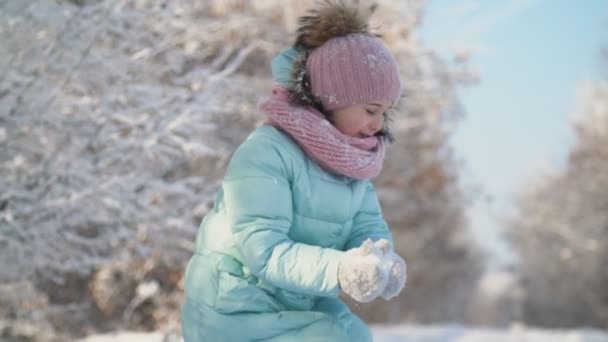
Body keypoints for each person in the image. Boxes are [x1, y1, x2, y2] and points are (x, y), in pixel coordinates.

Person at [181, 2, 407, 341]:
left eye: (385, 114)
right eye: (371, 110)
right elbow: (265, 251)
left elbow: (367, 226)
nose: (377, 125)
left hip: (295, 300)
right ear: (333, 98)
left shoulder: (353, 165)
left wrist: (378, 260)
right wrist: (340, 269)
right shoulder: (267, 152)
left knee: (356, 337)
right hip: (235, 306)